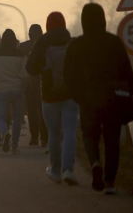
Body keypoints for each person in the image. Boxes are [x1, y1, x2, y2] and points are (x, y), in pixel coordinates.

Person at [63, 3, 133, 194]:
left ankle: (95, 163)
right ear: (103, 19)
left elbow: (68, 75)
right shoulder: (114, 42)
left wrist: (76, 95)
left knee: (89, 134)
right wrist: (132, 96)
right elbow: (127, 72)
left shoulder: (76, 45)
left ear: (83, 21)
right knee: (112, 139)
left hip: (88, 98)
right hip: (113, 98)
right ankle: (110, 182)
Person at [26, 12, 79, 185]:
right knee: (70, 131)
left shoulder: (42, 42)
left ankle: (55, 171)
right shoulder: (71, 41)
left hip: (49, 95)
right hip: (71, 94)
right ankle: (69, 170)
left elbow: (30, 68)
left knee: (54, 133)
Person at [0, 29, 28, 154]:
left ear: (2, 40)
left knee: (0, 118)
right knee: (17, 119)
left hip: (1, 90)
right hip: (17, 89)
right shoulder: (21, 53)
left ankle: (5, 132)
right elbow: (25, 73)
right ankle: (14, 146)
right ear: (14, 40)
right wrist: (23, 85)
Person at [20, 24, 48, 147]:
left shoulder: (23, 46)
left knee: (31, 111)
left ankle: (34, 137)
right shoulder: (45, 45)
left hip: (28, 84)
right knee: (43, 111)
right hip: (43, 83)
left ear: (29, 34)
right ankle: (44, 137)